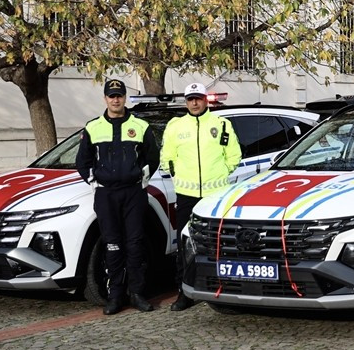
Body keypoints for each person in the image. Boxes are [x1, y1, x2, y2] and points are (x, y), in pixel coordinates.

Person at [76, 79, 160, 315]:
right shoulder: (93, 127)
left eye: (119, 95)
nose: (116, 100)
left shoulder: (140, 126)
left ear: (124, 98)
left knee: (135, 244)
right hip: (106, 195)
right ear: (105, 99)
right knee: (112, 245)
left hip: (133, 193)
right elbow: (83, 162)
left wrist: (141, 179)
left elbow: (152, 158)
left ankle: (137, 294)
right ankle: (115, 296)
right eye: (111, 96)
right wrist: (95, 181)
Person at [159, 82, 241, 311]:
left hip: (215, 195)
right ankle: (183, 292)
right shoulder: (175, 126)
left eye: (198, 98)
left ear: (206, 100)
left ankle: (223, 291)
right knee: (186, 244)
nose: (194, 103)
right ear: (186, 102)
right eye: (190, 99)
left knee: (219, 244)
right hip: (186, 194)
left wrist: (222, 172)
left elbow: (234, 154)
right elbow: (166, 156)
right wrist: (177, 173)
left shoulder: (221, 124)